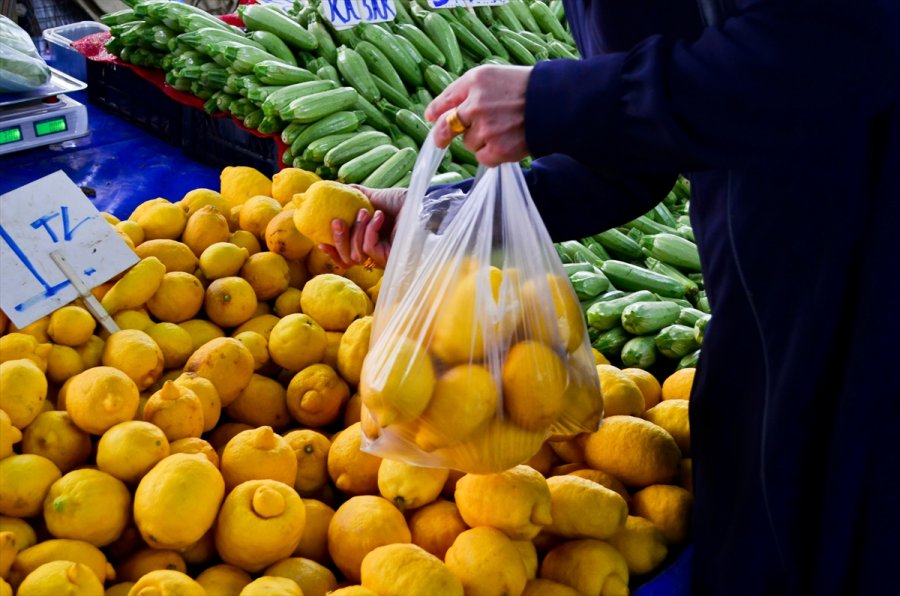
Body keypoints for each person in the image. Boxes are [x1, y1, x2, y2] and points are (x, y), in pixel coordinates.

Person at [322, 1, 900, 594]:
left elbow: (840, 44)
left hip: (867, 296)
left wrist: (556, 101)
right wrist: (437, 215)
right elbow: (631, 157)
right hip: (763, 318)